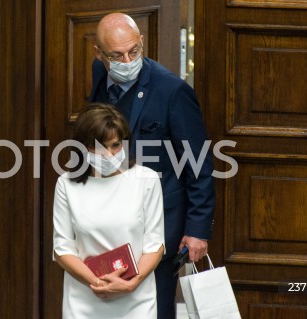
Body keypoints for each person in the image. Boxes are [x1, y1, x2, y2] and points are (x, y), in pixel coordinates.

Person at [89, 13, 215, 319]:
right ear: (98, 54)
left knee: (154, 308)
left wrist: (197, 229)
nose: (127, 60)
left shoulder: (172, 91)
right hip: (110, 216)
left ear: (142, 42)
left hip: (159, 222)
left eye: (134, 51)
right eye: (116, 55)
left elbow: (198, 162)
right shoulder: (99, 73)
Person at [52, 103, 165, 318]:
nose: (110, 154)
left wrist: (132, 283)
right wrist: (99, 283)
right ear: (83, 146)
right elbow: (62, 248)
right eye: (101, 147)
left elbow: (155, 244)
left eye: (115, 145)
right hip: (85, 299)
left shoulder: (146, 179)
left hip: (136, 299)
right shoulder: (66, 185)